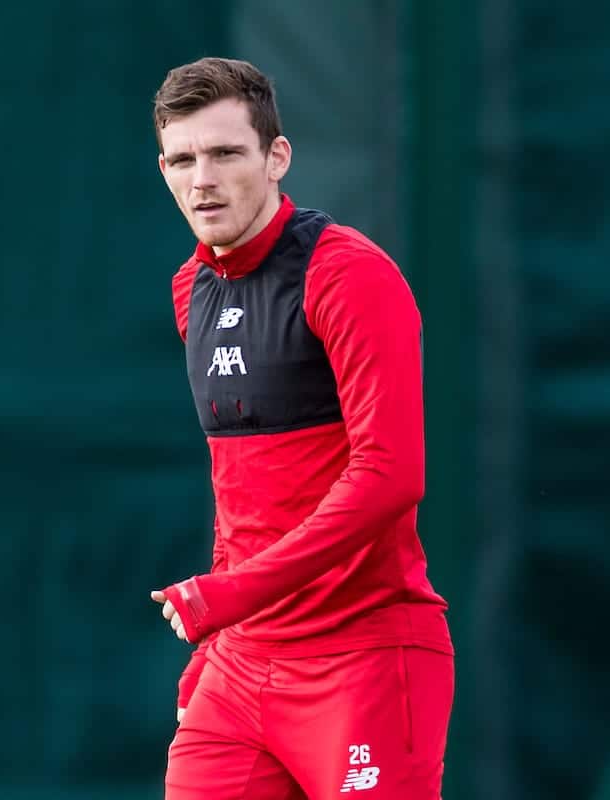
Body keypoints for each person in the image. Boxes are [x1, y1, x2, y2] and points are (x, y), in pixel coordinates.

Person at [147, 57, 455, 800]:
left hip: (365, 659)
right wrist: (217, 643)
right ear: (164, 168)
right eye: (183, 159)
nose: (203, 179)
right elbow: (238, 486)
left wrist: (229, 596)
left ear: (276, 157)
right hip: (240, 667)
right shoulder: (192, 288)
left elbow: (391, 476)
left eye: (225, 153)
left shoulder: (347, 274)